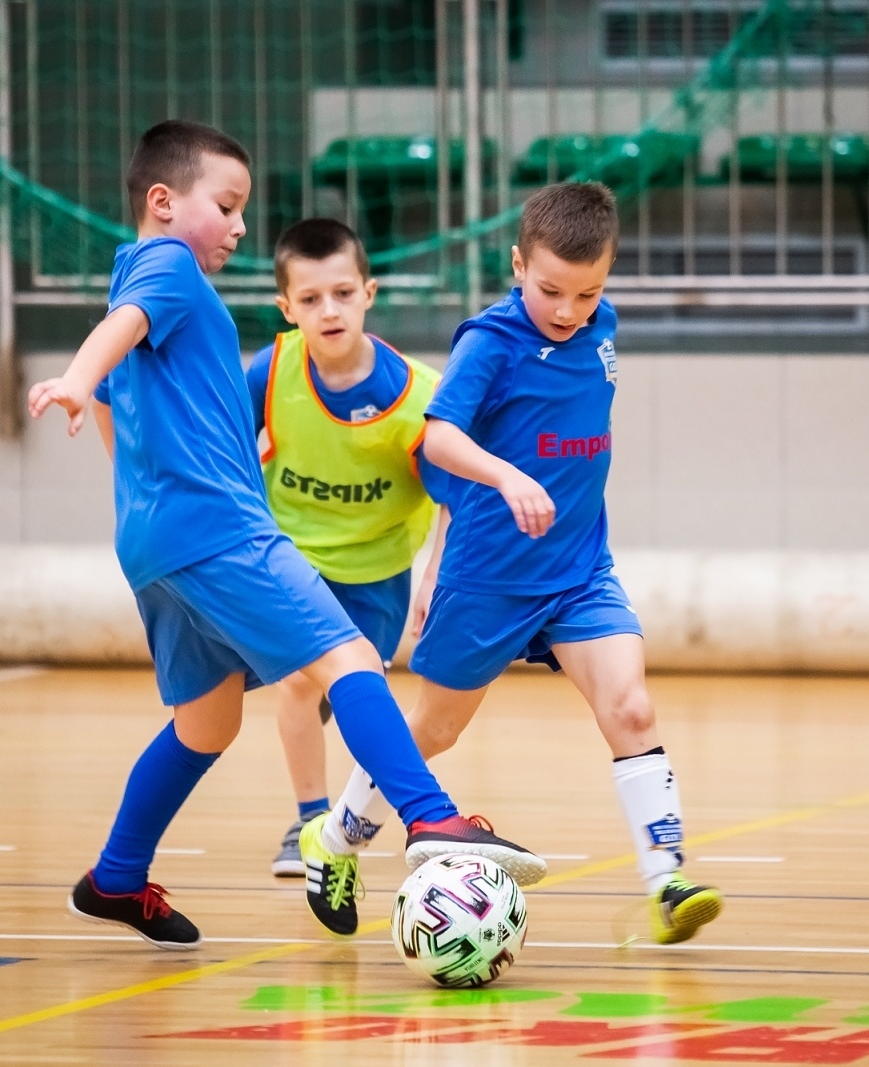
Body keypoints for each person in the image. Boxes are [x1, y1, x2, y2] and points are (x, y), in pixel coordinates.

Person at [27, 120, 544, 948]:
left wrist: (130, 468)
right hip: (219, 529)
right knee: (348, 661)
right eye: (227, 205)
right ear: (162, 202)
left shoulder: (145, 277)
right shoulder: (167, 266)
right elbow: (117, 335)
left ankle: (117, 876)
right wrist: (78, 380)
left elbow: (133, 395)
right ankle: (433, 820)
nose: (238, 226)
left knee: (207, 724)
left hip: (154, 539)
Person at [301, 182, 723, 945]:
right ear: (517, 263)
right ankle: (334, 843)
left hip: (579, 572)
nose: (567, 309)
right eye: (550, 289)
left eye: (588, 292)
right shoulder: (487, 343)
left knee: (630, 708)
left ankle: (668, 881)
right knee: (430, 731)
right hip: (490, 575)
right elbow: (437, 438)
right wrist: (507, 474)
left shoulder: (602, 326)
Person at [245, 217, 453, 880]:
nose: (328, 310)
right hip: (294, 562)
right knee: (299, 682)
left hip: (380, 572)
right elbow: (223, 458)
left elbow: (457, 497)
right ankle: (308, 823)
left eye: (341, 293)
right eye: (309, 299)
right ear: (286, 308)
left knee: (359, 693)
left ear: (369, 291)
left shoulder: (418, 395)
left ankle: (343, 823)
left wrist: (434, 579)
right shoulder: (269, 372)